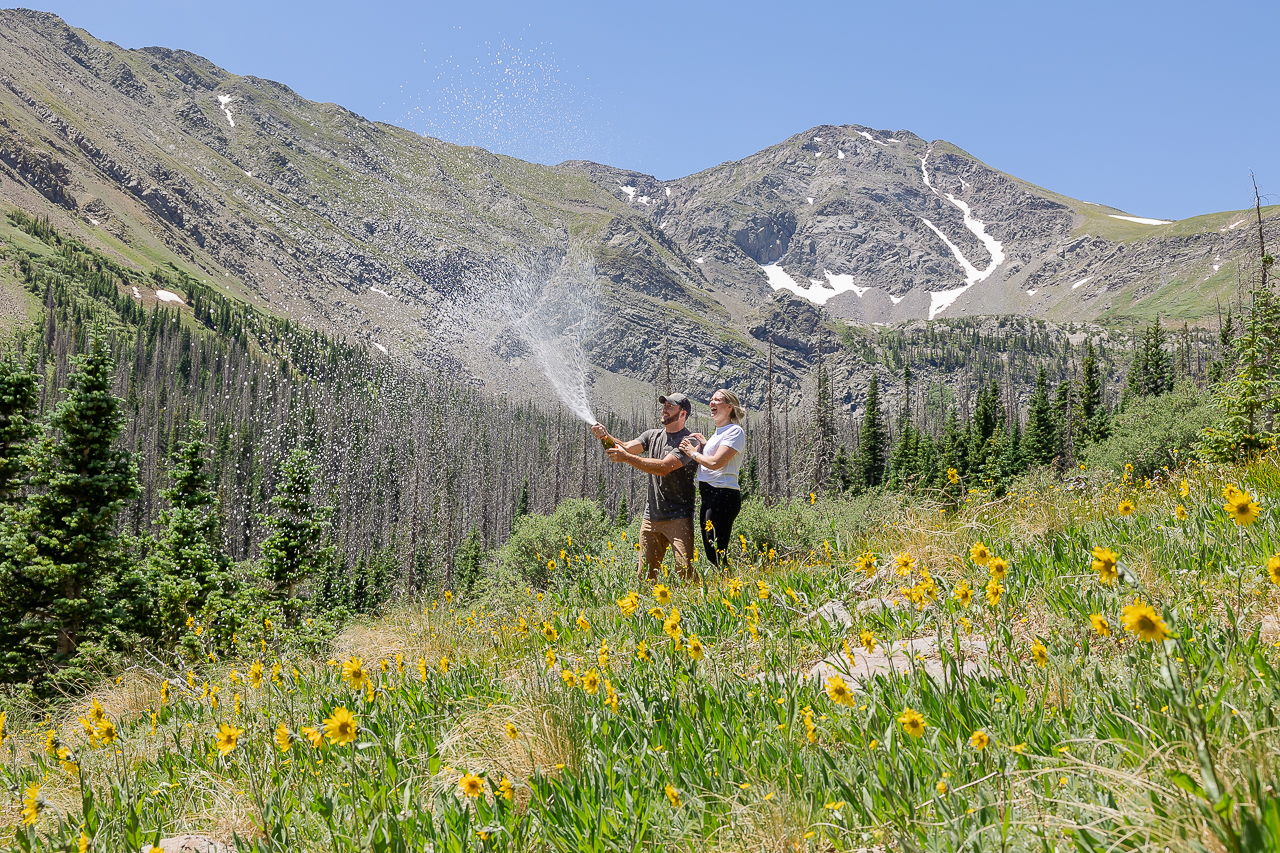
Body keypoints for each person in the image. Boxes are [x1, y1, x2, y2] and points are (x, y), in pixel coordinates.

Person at [592, 394, 699, 582]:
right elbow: (625, 447)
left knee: (685, 572)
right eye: (664, 405)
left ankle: (700, 603)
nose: (664, 409)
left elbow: (664, 467)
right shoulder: (652, 435)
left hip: (679, 517)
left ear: (683, 414)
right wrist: (604, 436)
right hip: (651, 518)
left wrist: (626, 458)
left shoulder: (690, 442)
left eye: (670, 407)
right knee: (645, 577)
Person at [680, 389, 746, 568]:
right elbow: (715, 454)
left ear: (729, 407)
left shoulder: (735, 431)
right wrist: (705, 444)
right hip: (711, 496)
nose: (712, 403)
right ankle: (725, 585)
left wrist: (693, 453)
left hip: (723, 495)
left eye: (718, 400)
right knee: (713, 549)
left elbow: (716, 462)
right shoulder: (720, 433)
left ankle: (730, 589)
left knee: (716, 550)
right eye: (711, 400)